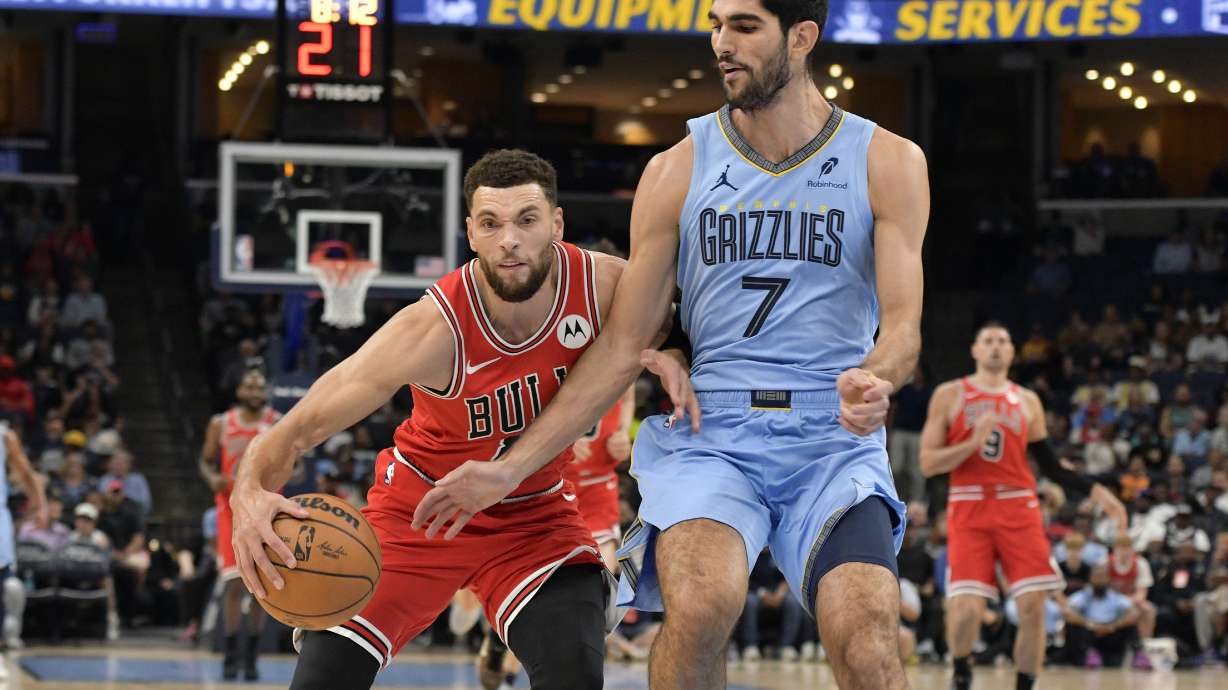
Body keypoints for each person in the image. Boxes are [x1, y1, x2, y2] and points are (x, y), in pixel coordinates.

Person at [411, 1, 931, 688]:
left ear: (802, 37)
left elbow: (903, 330)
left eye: (745, 27)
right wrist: (509, 467)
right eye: (717, 24)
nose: (721, 43)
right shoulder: (676, 170)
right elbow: (624, 342)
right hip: (711, 428)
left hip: (831, 434)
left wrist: (876, 375)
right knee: (701, 606)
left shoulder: (887, 160)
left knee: (865, 637)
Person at [230, 150, 630, 690]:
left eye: (527, 220)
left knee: (575, 668)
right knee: (323, 679)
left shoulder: (605, 288)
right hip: (419, 513)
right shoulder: (431, 329)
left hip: (533, 518)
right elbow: (299, 427)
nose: (509, 239)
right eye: (491, 223)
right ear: (471, 232)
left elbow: (676, 328)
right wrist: (247, 492)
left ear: (557, 224)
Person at [919, 323, 1127, 690]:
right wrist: (970, 444)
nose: (996, 347)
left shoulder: (1027, 400)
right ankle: (962, 668)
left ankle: (1025, 684)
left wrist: (1096, 490)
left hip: (1019, 506)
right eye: (988, 341)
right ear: (975, 351)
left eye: (1003, 341)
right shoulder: (950, 394)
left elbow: (1049, 465)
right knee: (966, 608)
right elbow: (928, 463)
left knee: (1034, 606)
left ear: (1013, 353)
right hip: (969, 505)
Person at [198, 370, 280, 680]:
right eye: (249, 384)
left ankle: (252, 657)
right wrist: (212, 478)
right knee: (233, 585)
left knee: (260, 589)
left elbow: (295, 464)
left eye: (260, 384)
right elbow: (205, 461)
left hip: (264, 510)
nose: (255, 389)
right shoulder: (221, 423)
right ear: (239, 389)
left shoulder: (277, 420)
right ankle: (230, 655)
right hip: (230, 510)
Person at [0, 422, 48, 670]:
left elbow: (27, 473)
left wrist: (41, 506)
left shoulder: (4, 434)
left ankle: (10, 636)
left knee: (10, 584)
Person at [1061, 564, 1140, 668]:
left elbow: (1134, 613)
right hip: (1090, 633)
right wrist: (1090, 624)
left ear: (1108, 579)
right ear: (1090, 579)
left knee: (1131, 625)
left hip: (1111, 631)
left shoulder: (1115, 597)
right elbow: (1068, 613)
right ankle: (1089, 654)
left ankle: (1139, 654)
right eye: (1097, 577)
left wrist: (1114, 626)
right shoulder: (1083, 596)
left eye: (1102, 577)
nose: (1099, 580)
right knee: (1073, 625)